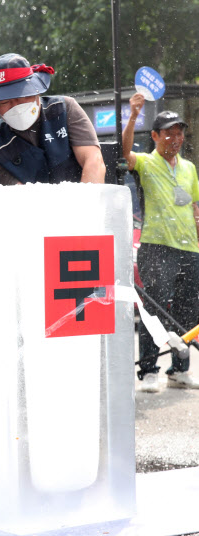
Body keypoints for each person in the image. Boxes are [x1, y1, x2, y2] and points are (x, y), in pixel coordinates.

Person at [124, 93, 199, 392]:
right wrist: (133, 115)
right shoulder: (144, 162)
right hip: (156, 246)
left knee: (188, 311)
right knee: (154, 310)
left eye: (179, 133)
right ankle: (149, 371)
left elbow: (195, 208)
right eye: (169, 133)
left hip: (190, 249)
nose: (176, 138)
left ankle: (179, 370)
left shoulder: (190, 168)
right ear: (155, 136)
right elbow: (124, 152)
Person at [0, 53, 106, 186]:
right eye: (5, 102)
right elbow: (19, 200)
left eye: (22, 96)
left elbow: (93, 161)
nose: (16, 106)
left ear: (36, 92)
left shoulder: (65, 109)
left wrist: (86, 204)